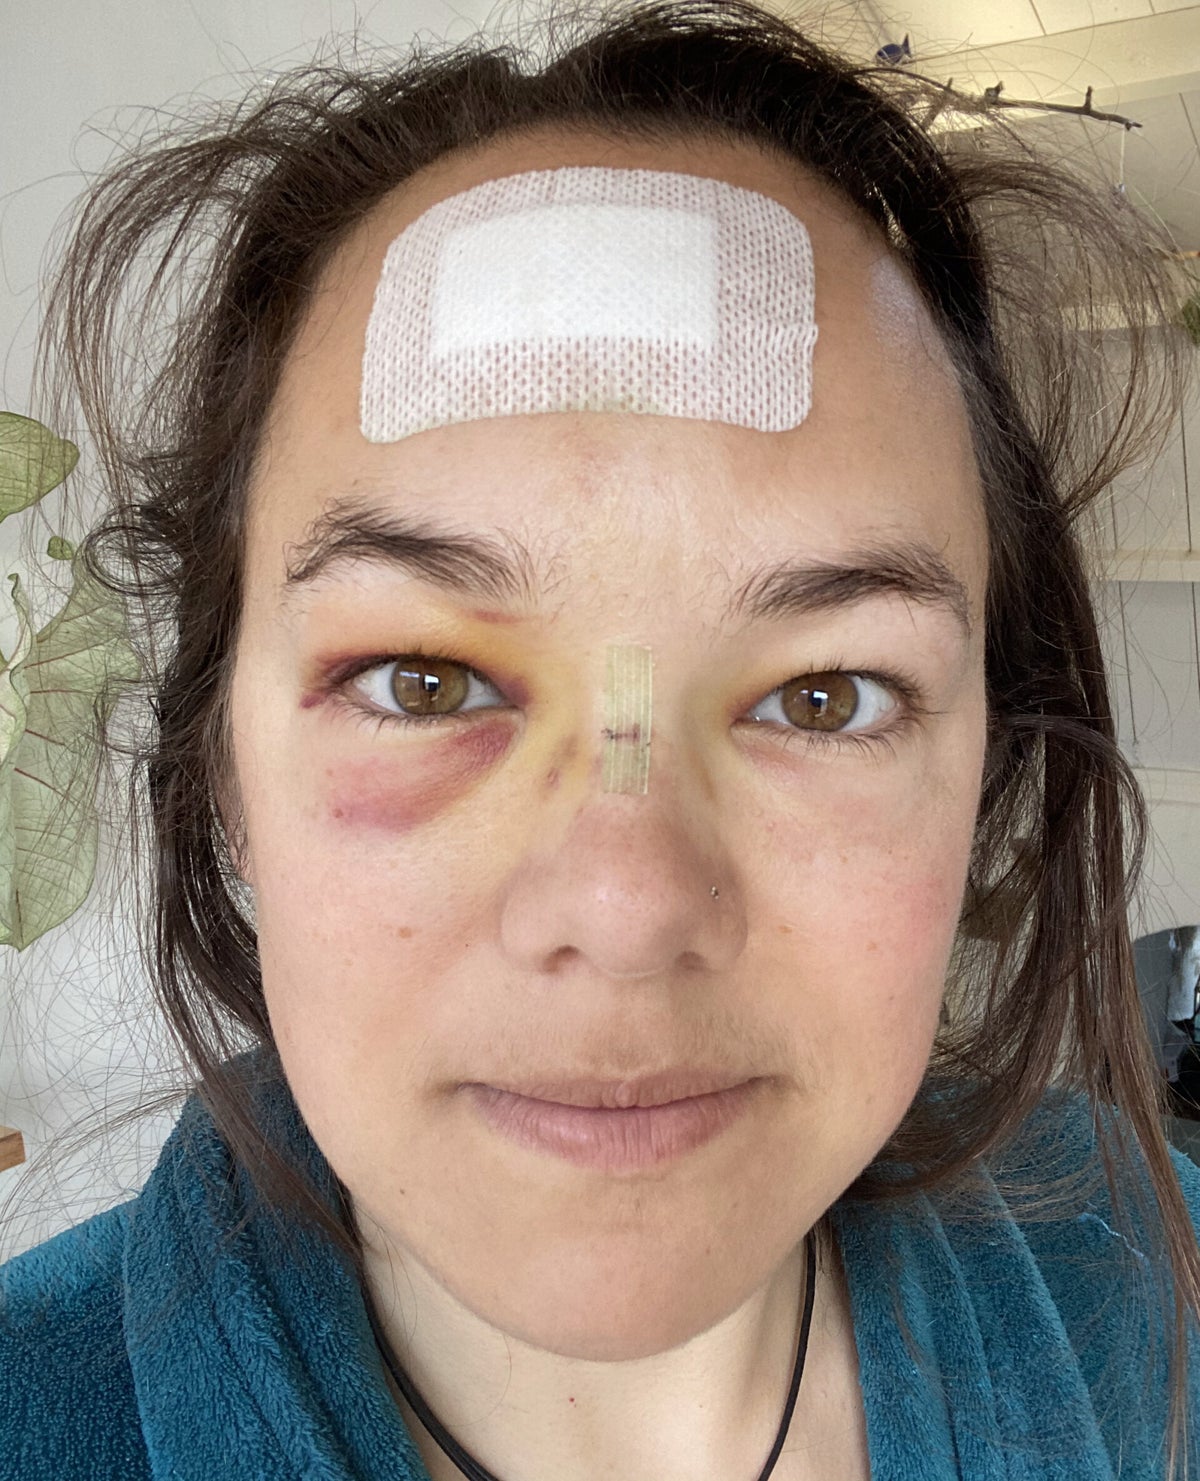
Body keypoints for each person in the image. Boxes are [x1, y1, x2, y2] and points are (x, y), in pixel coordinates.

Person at [2, 1, 1199, 1477]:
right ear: (221, 777)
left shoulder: (1153, 1278)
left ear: (984, 775)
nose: (627, 908)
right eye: (425, 682)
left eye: (824, 696)